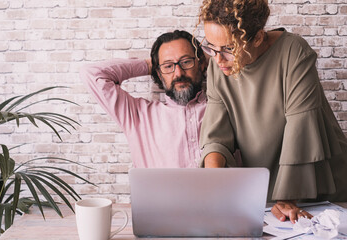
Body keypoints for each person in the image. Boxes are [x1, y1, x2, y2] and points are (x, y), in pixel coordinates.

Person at [197, 0, 347, 223]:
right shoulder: (218, 66)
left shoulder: (294, 52)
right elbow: (216, 136)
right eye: (210, 46)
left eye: (229, 49)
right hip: (268, 195)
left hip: (316, 185)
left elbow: (301, 129)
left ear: (257, 37)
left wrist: (288, 197)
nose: (217, 59)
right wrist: (213, 182)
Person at [80, 30, 208, 168]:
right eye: (168, 66)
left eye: (186, 61)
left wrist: (213, 57)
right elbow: (91, 73)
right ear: (158, 74)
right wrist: (148, 66)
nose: (178, 73)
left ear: (201, 64)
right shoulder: (138, 116)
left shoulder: (224, 109)